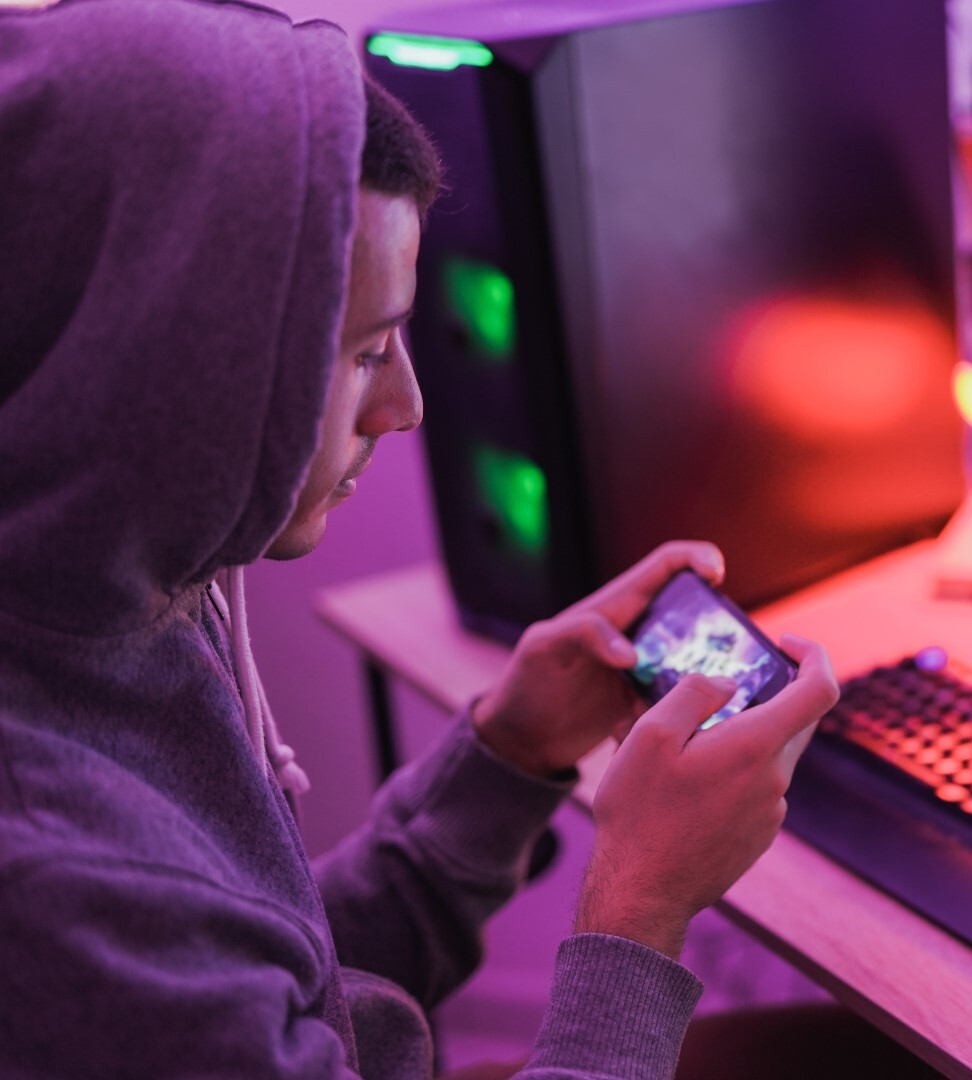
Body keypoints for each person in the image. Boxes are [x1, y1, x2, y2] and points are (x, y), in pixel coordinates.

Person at [0, 1, 900, 1077]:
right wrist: (642, 904)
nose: (410, 409)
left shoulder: (93, 591)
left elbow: (274, 991)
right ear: (176, 359)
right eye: (370, 351)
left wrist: (509, 758)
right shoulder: (53, 881)